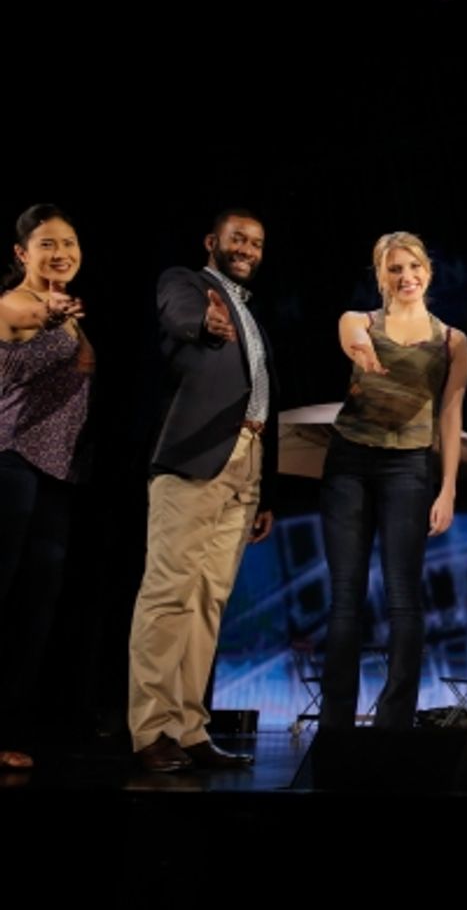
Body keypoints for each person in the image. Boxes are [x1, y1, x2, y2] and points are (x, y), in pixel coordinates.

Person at [128, 209, 277, 772]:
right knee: (168, 594)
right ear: (212, 242)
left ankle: (189, 727)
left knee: (207, 601)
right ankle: (151, 729)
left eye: (257, 242)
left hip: (247, 463)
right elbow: (177, 313)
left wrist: (265, 491)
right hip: (194, 458)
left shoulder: (251, 313)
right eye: (237, 238)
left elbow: (260, 393)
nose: (247, 248)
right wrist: (203, 323)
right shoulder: (187, 284)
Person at [318, 233, 467, 730]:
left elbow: (450, 414)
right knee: (346, 594)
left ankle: (394, 718)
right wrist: (362, 352)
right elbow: (351, 340)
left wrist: (447, 488)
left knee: (404, 594)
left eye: (414, 268)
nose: (407, 277)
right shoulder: (357, 321)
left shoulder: (452, 341)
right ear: (381, 276)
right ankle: (336, 720)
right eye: (395, 269)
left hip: (409, 467)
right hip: (349, 463)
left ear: (428, 271)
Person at [0, 204, 93, 770]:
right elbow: (27, 320)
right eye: (47, 245)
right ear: (21, 255)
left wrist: (63, 317)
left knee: (34, 612)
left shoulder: (70, 311)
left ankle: (7, 729)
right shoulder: (13, 304)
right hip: (10, 462)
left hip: (56, 472)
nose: (61, 253)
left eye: (70, 243)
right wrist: (52, 315)